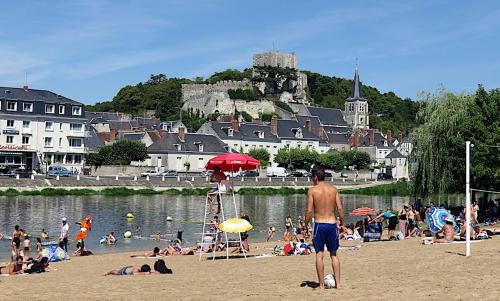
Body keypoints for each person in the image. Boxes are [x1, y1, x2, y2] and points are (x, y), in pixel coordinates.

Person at [304, 167, 344, 289]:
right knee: (334, 255)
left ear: (315, 177)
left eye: (312, 177)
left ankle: (321, 285)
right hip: (332, 224)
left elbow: (309, 210)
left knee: (319, 254)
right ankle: (338, 284)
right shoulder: (333, 189)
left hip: (320, 225)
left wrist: (306, 225)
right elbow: (340, 209)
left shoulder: (312, 190)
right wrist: (342, 223)